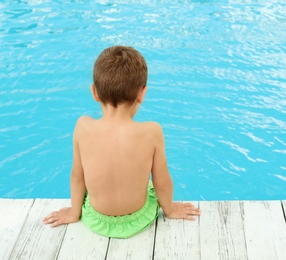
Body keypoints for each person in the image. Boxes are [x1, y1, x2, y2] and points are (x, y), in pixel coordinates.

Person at [43, 46, 201, 238]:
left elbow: (77, 176)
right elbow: (162, 181)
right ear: (142, 94)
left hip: (98, 219)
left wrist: (74, 212)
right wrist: (170, 210)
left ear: (94, 92)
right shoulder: (152, 131)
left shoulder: (83, 127)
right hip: (137, 219)